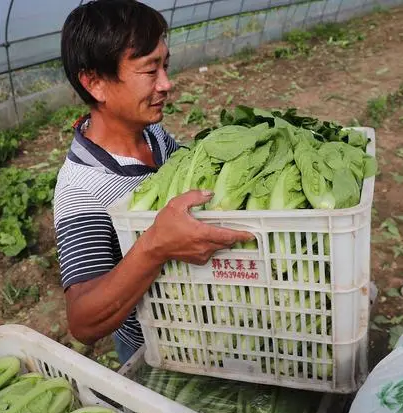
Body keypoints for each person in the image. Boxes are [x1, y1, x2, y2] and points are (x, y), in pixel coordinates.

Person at [55, 0, 255, 364]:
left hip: (208, 325)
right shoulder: (81, 187)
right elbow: (82, 320)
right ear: (95, 82)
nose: (166, 83)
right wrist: (155, 246)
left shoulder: (154, 136)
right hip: (156, 346)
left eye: (166, 65)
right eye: (150, 71)